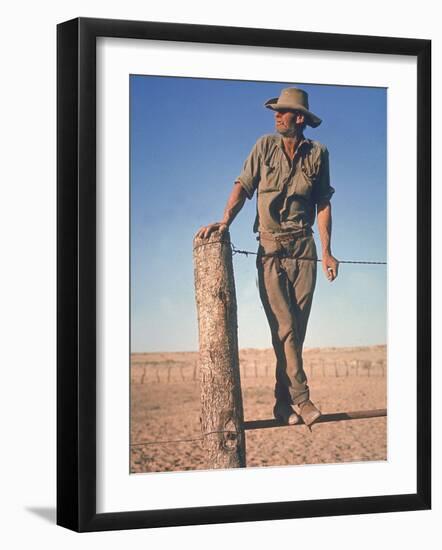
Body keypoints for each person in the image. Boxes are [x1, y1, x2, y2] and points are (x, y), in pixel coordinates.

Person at [196, 87, 339, 428]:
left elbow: (323, 204)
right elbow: (243, 186)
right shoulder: (263, 146)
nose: (277, 115)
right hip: (271, 248)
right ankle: (302, 400)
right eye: (276, 110)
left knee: (294, 334)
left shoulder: (319, 154)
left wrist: (328, 251)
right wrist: (225, 220)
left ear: (299, 118)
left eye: (284, 111)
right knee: (285, 328)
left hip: (305, 250)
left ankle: (280, 403)